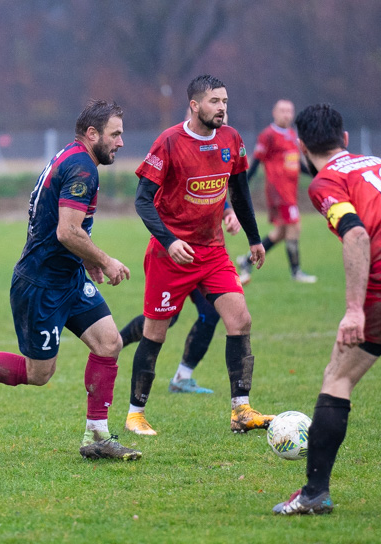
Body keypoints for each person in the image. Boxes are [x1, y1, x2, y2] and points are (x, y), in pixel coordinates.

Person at [0, 100, 141, 460]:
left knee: (109, 343)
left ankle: (97, 436)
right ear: (92, 134)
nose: (120, 142)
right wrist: (105, 259)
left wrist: (86, 262)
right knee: (39, 373)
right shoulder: (83, 168)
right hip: (41, 285)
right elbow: (66, 231)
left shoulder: (73, 157)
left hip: (67, 276)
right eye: (115, 134)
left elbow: (61, 225)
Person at [273, 104, 381, 515]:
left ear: (302, 146)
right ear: (345, 138)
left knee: (338, 377)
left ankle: (314, 494)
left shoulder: (325, 182)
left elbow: (355, 235)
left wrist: (354, 310)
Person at [126, 74, 274, 437]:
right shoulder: (170, 142)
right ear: (194, 105)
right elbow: (143, 201)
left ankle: (241, 410)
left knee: (239, 319)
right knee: (155, 333)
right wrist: (168, 240)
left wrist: (255, 239)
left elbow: (239, 191)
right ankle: (135, 414)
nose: (222, 107)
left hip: (212, 252)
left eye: (225, 101)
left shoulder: (231, 139)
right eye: (214, 101)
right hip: (169, 256)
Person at [119, 204, 242, 417]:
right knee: (165, 319)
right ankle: (114, 345)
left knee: (211, 313)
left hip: (204, 255)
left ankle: (182, 377)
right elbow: (149, 199)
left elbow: (209, 191)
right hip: (172, 256)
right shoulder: (171, 171)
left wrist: (229, 212)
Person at [237, 99, 316, 284]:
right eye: (282, 110)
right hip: (278, 191)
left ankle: (247, 260)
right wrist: (242, 185)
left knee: (281, 231)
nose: (287, 114)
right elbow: (256, 162)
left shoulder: (290, 134)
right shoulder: (268, 135)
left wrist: (316, 174)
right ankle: (296, 272)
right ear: (274, 113)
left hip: (290, 190)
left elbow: (296, 164)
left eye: (290, 110)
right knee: (294, 226)